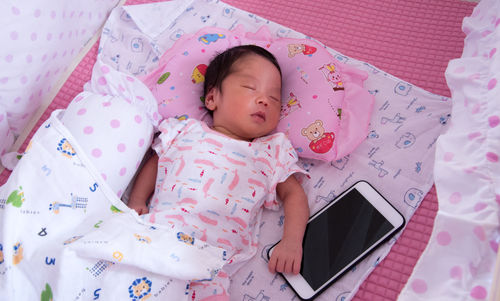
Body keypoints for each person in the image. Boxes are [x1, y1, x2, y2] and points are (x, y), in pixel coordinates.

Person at [128, 45, 309, 300]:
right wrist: (137, 200)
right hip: (156, 236)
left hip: (210, 263)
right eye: (250, 88)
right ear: (212, 98)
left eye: (274, 97)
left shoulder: (271, 152)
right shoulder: (185, 130)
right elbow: (157, 162)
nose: (264, 100)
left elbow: (294, 195)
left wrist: (291, 241)